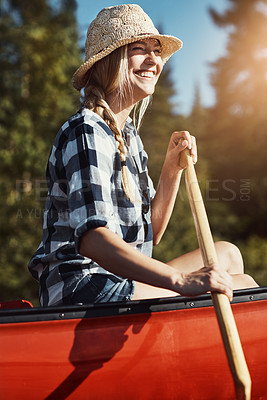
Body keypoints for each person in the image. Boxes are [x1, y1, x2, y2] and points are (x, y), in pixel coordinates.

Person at [28, 4, 258, 307]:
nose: (154, 60)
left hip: (117, 278)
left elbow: (152, 233)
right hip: (82, 286)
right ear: (111, 60)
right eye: (140, 49)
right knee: (241, 287)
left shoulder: (129, 137)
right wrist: (182, 281)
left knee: (228, 254)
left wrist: (171, 169)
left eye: (156, 51)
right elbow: (93, 240)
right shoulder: (87, 130)